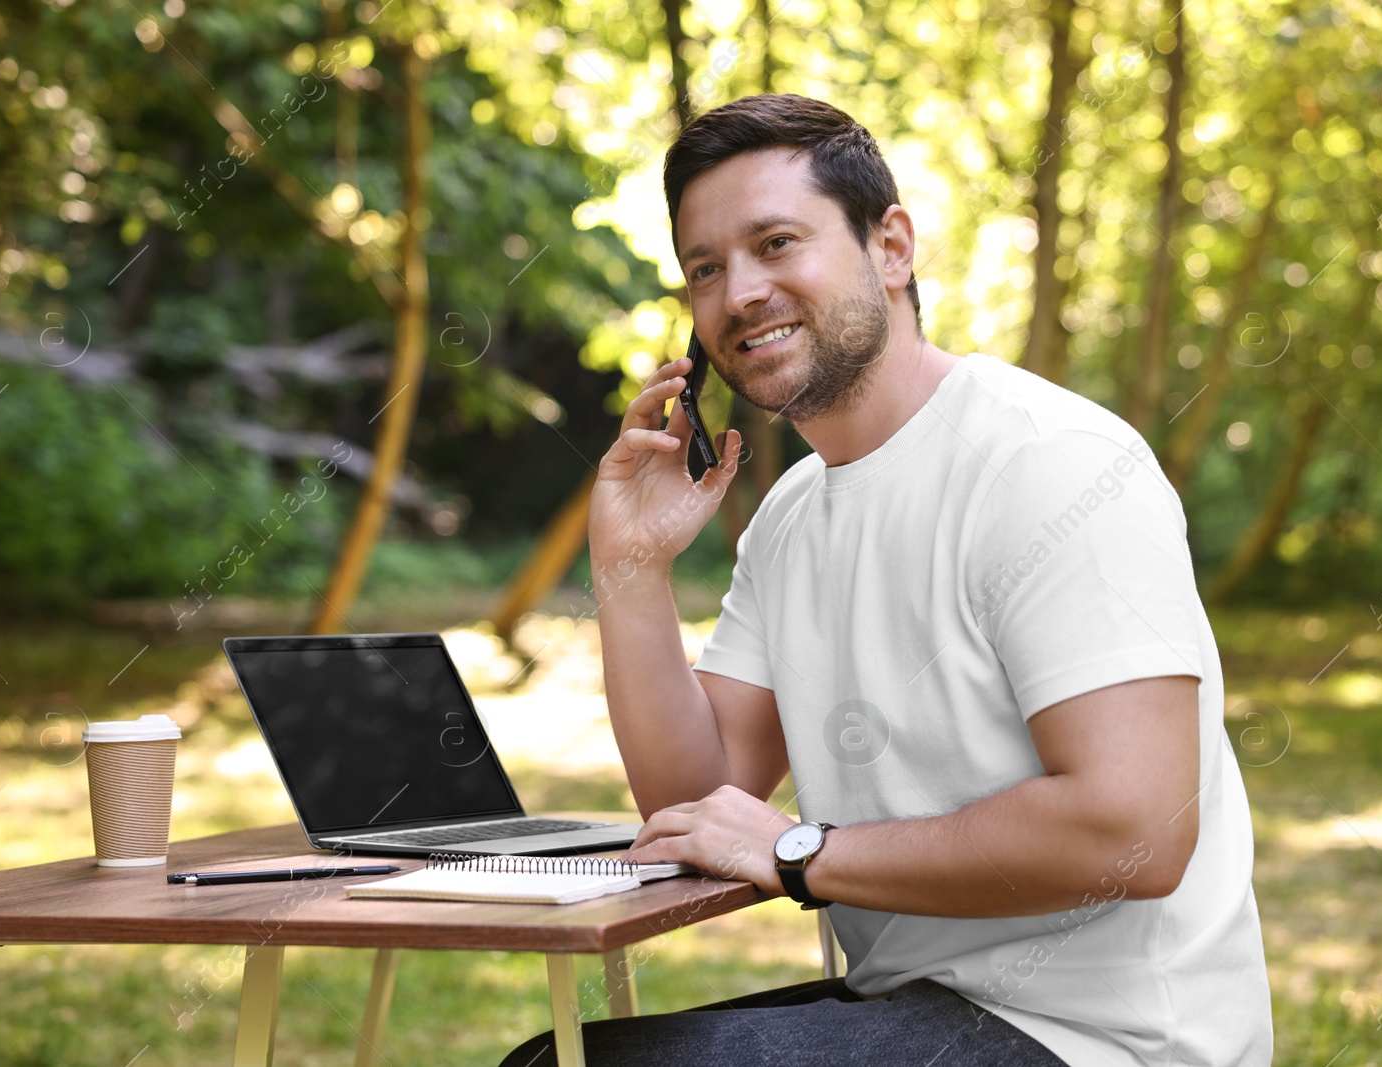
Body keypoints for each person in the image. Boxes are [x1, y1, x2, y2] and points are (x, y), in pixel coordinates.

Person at [500, 93, 1271, 1066]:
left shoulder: (1052, 462)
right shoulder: (791, 514)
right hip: (927, 1002)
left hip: (1110, 1040)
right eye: (706, 267)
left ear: (892, 245)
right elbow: (699, 798)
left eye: (776, 242)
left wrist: (800, 852)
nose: (738, 293)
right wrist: (630, 567)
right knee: (555, 1059)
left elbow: (1132, 829)